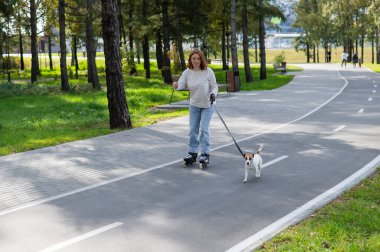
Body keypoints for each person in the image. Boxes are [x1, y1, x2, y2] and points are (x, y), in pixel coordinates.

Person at [172, 49, 218, 166]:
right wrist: (176, 85)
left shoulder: (208, 71)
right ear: (190, 60)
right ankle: (192, 153)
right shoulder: (187, 72)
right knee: (193, 130)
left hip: (207, 105)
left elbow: (214, 86)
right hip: (194, 105)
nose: (196, 61)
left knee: (204, 130)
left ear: (201, 59)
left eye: (198, 58)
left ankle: (205, 154)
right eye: (194, 58)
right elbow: (181, 84)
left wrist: (213, 94)